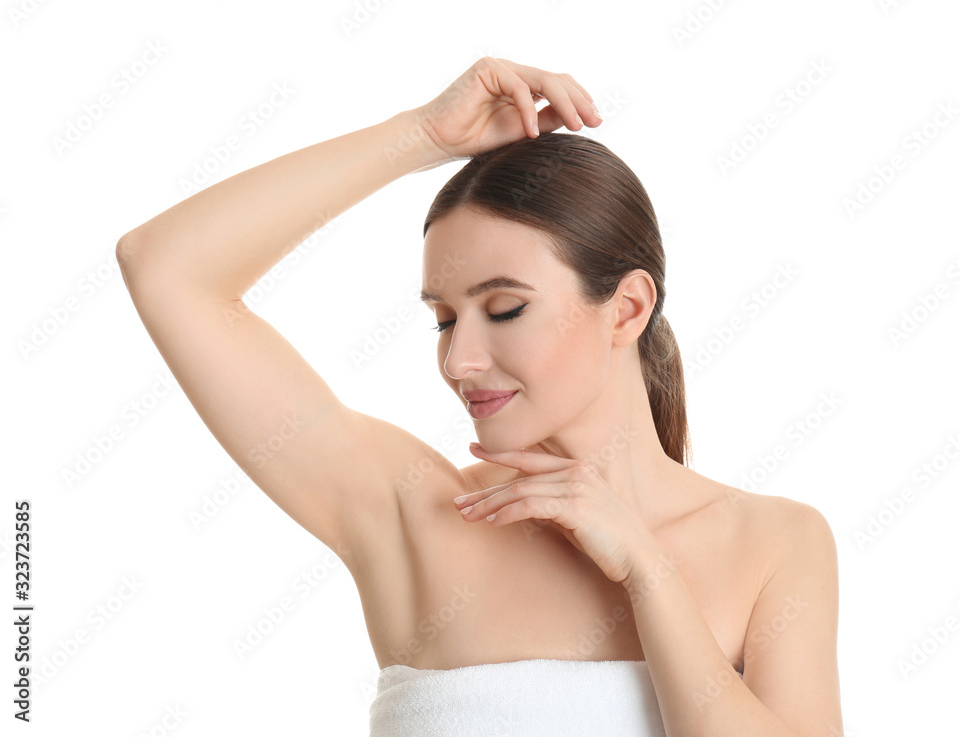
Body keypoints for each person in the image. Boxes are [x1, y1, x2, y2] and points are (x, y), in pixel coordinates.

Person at [117, 57, 842, 736]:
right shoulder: (410, 514)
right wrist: (425, 135)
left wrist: (647, 572)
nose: (459, 361)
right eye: (442, 319)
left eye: (503, 310)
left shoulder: (776, 544)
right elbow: (167, 267)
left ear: (625, 309)